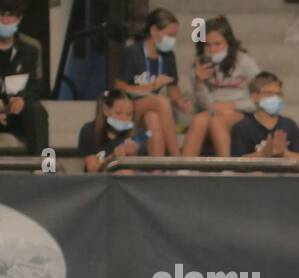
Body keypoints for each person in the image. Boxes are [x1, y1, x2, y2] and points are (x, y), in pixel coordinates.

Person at [114, 8, 190, 157]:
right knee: (160, 101)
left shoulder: (168, 56)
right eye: (170, 35)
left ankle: (157, 170)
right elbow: (119, 87)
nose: (172, 40)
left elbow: (172, 87)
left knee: (153, 118)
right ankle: (178, 159)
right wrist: (151, 87)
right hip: (128, 107)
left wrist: (180, 101)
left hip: (150, 109)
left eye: (175, 36)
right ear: (154, 30)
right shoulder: (132, 52)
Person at [185, 16, 259, 158]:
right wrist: (199, 82)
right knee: (198, 120)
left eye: (217, 44)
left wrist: (231, 105)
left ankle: (226, 170)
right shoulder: (198, 65)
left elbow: (260, 97)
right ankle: (183, 170)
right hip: (212, 110)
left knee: (216, 121)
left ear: (229, 43)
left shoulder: (244, 61)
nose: (212, 49)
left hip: (241, 112)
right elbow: (206, 106)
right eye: (207, 45)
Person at [229, 71, 299, 165]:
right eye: (269, 93)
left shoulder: (289, 125)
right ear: (254, 97)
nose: (275, 98)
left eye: (278, 94)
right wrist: (262, 154)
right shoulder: (241, 127)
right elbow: (237, 163)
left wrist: (283, 153)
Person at [0, 0, 47, 156]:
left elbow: (36, 86)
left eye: (10, 16)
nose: (5, 21)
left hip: (17, 113)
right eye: (0, 16)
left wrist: (22, 99)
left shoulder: (30, 49)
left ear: (19, 18)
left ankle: (45, 170)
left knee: (37, 110)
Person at [78, 88, 160, 171]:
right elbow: (92, 169)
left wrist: (133, 156)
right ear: (106, 110)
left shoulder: (137, 135)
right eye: (118, 113)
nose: (124, 118)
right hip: (101, 181)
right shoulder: (90, 131)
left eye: (129, 114)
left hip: (130, 181)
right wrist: (113, 157)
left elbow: (142, 174)